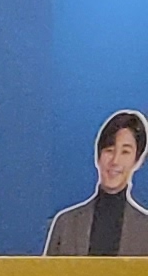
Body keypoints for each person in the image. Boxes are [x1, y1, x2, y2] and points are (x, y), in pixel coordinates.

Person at [46, 107, 148, 252]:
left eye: (125, 152)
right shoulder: (66, 224)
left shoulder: (145, 230)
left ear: (137, 160)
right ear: (98, 156)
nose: (115, 161)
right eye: (109, 150)